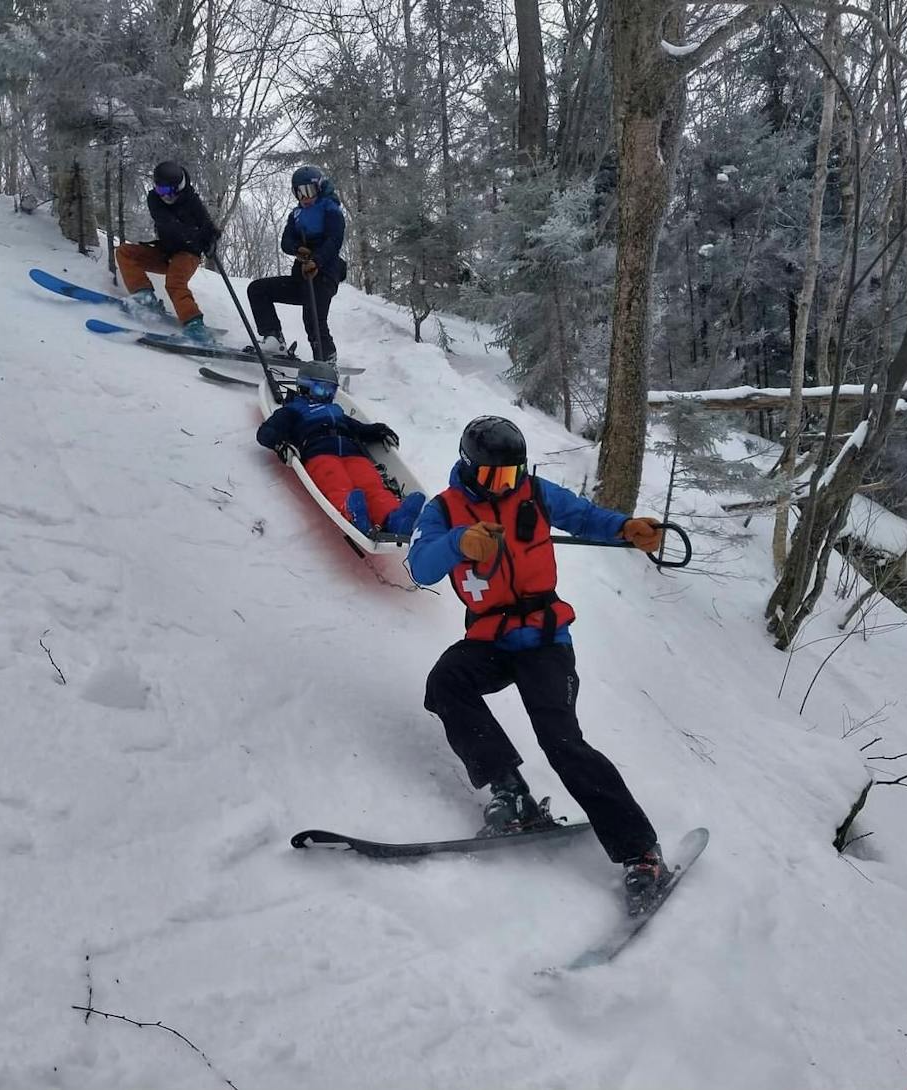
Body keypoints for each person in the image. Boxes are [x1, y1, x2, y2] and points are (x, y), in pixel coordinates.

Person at [406, 415, 671, 916]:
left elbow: (586, 516)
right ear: (469, 467)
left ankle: (641, 853)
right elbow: (420, 567)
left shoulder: (534, 492)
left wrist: (626, 529)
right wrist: (459, 541)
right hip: (491, 637)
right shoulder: (443, 509)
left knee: (561, 739)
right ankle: (511, 794)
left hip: (546, 639)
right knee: (446, 682)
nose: (504, 486)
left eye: (511, 476)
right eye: (493, 477)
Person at [256, 361, 425, 537]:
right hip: (319, 453)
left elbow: (358, 428)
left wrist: (379, 430)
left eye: (331, 390)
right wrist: (281, 445)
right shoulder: (293, 410)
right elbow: (266, 432)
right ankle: (351, 511)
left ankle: (395, 518)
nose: (327, 395)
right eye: (322, 389)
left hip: (353, 454)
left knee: (372, 486)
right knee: (338, 483)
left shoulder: (336, 411)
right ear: (304, 387)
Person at [247, 166, 346, 363]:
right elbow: (285, 241)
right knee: (258, 289)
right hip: (301, 277)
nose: (305, 197)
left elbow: (334, 242)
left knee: (313, 318)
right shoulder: (296, 215)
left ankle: (326, 359)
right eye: (299, 192)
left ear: (319, 188)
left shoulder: (331, 211)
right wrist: (297, 249)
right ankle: (273, 337)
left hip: (325, 276)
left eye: (308, 191)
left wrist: (316, 261)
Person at [115, 161, 220, 344]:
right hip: (165, 251)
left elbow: (208, 226)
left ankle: (194, 323)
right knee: (125, 252)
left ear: (179, 187)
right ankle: (144, 295)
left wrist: (211, 239)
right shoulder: (154, 199)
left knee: (175, 282)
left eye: (168, 191)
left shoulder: (192, 201)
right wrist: (196, 236)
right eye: (160, 190)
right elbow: (167, 223)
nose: (165, 196)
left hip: (188, 255)